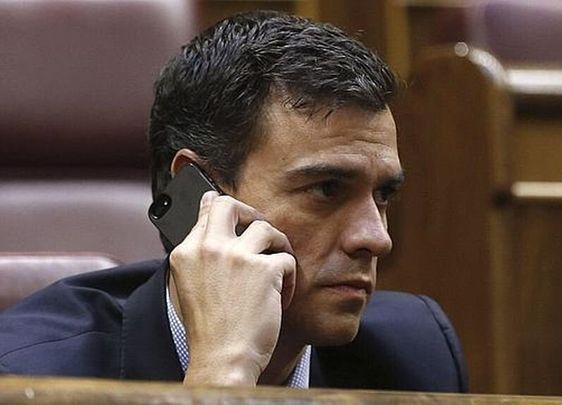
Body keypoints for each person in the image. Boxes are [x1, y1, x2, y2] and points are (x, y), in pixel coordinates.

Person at [0, 10, 467, 392]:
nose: (377, 238)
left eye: (383, 194)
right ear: (199, 192)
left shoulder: (414, 355)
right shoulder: (31, 376)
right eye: (327, 189)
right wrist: (223, 370)